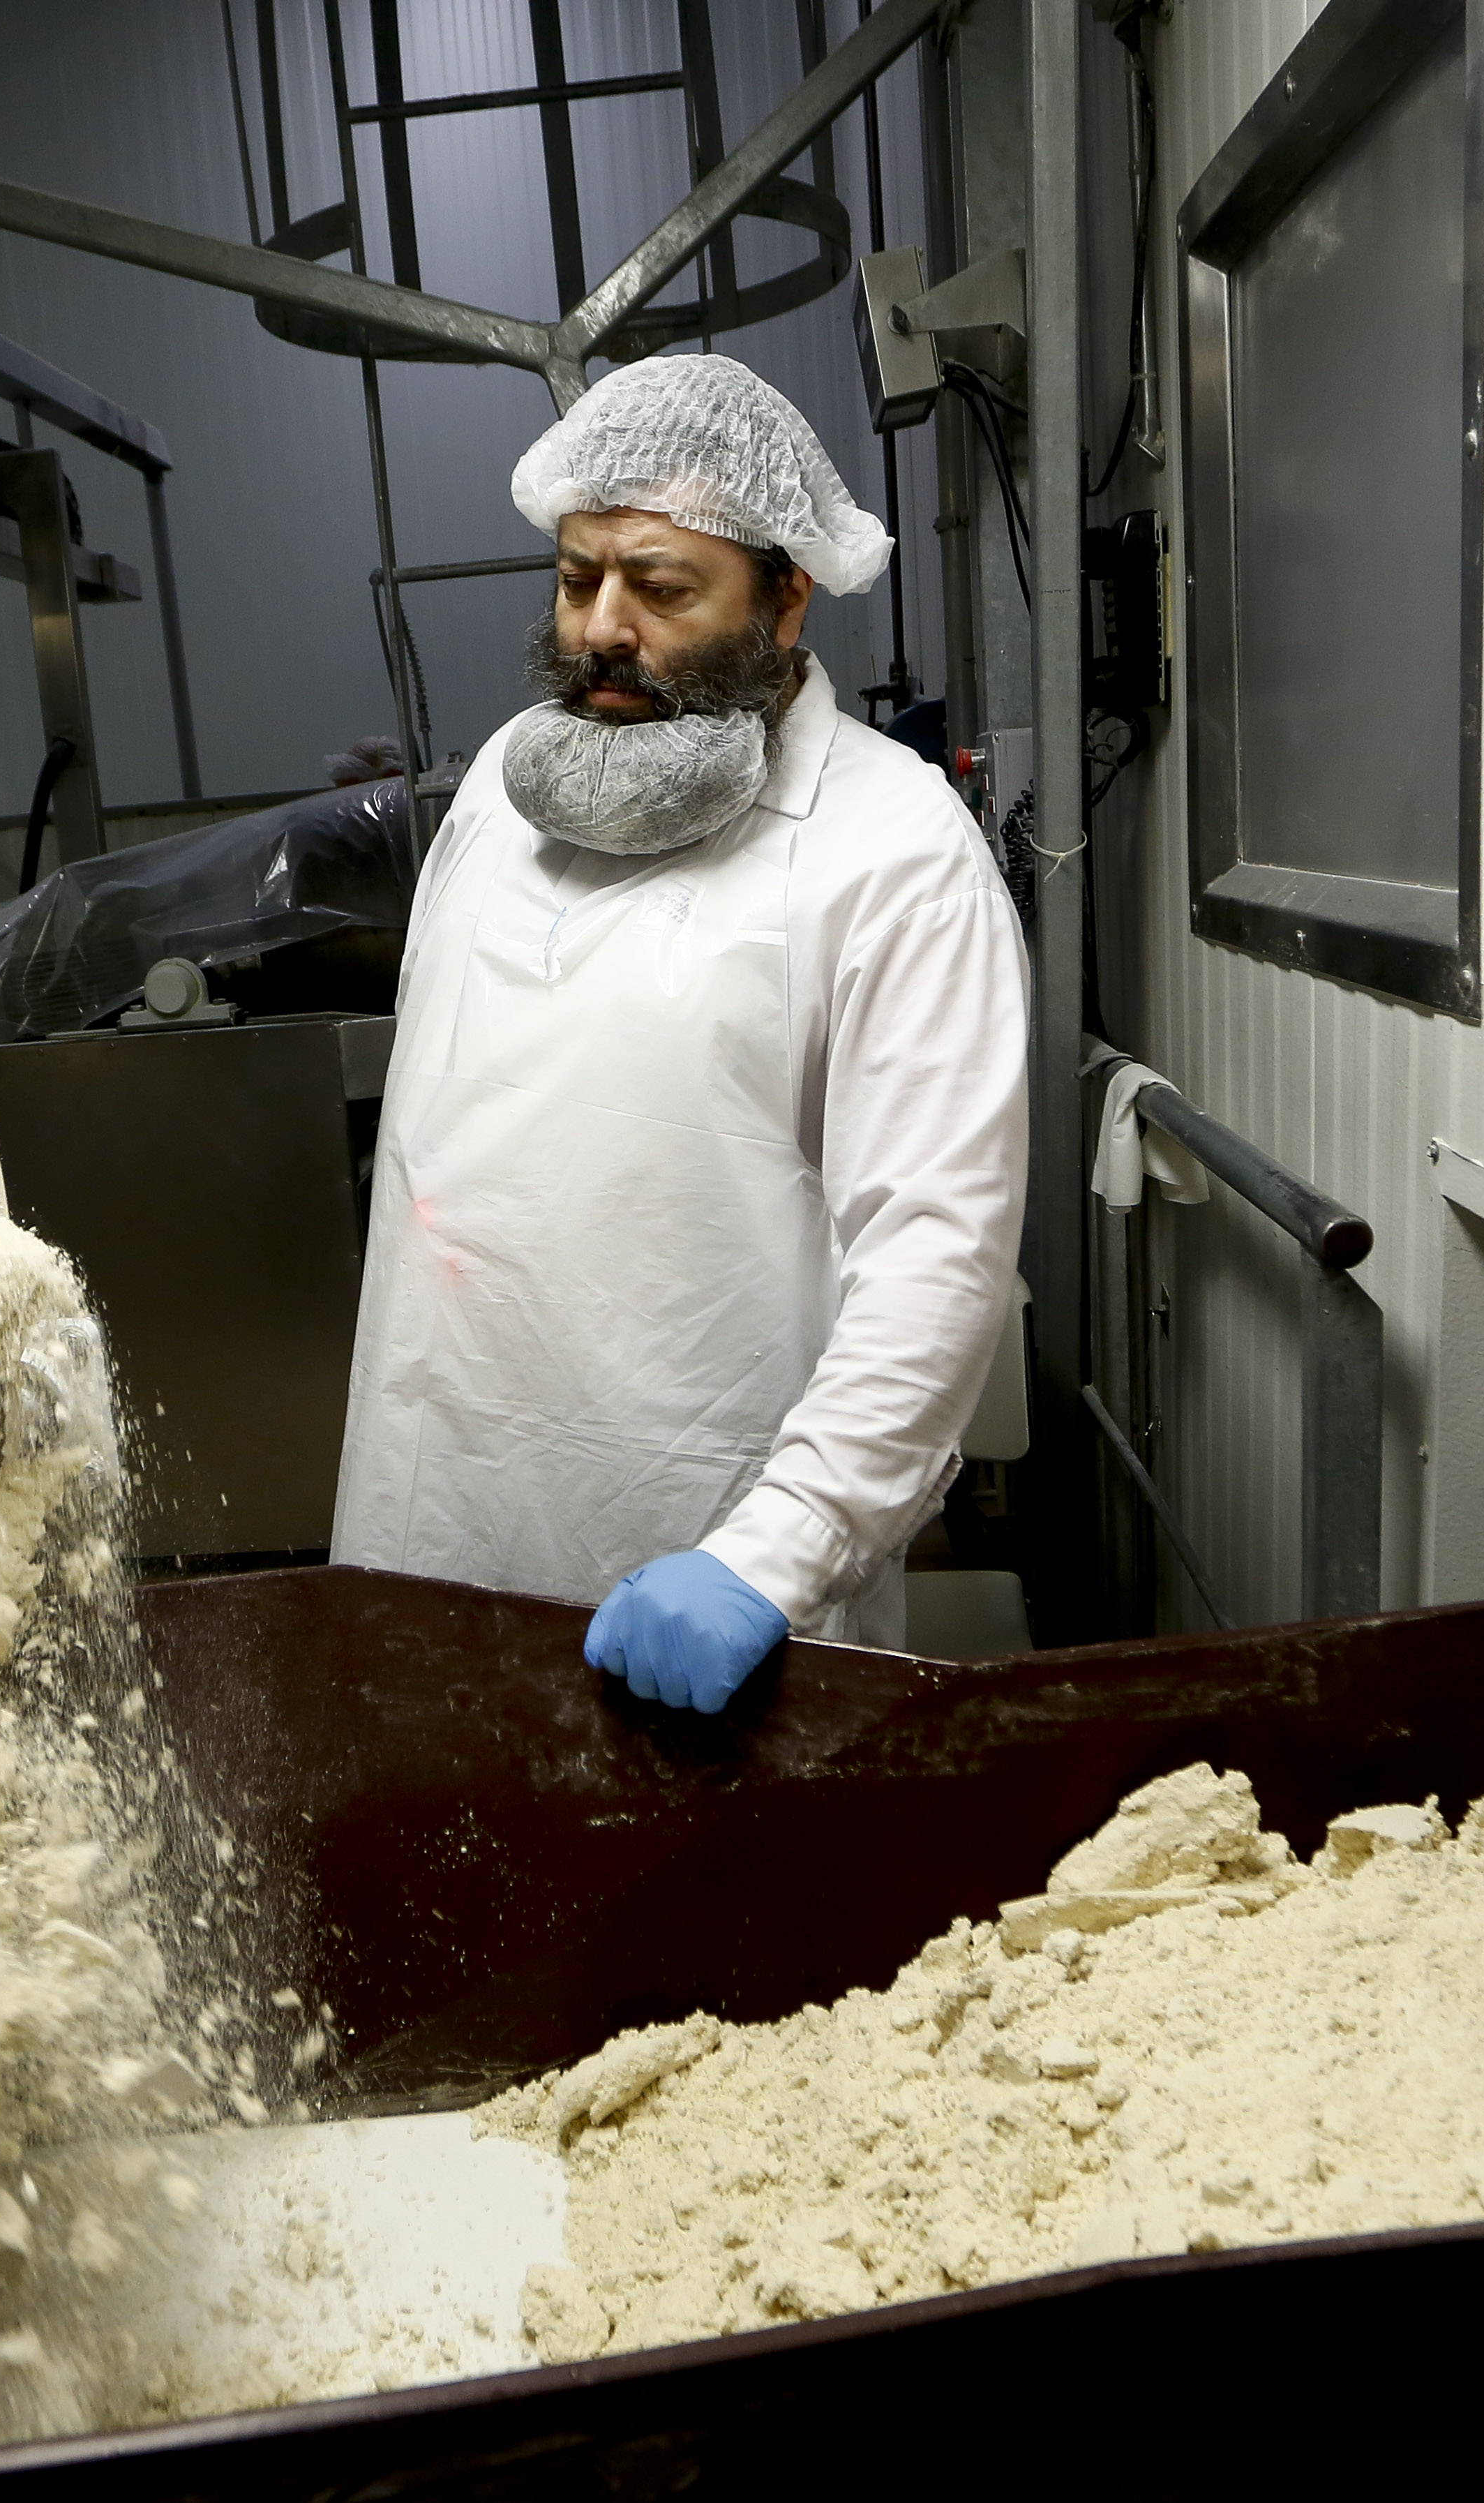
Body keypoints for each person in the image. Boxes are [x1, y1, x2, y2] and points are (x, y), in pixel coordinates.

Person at [330, 354, 1030, 1714]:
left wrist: (771, 1563)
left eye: (658, 588)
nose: (600, 626)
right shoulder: (497, 790)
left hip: (704, 1583)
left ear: (783, 597)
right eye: (575, 576)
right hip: (431, 1527)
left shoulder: (889, 852)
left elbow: (932, 1259)